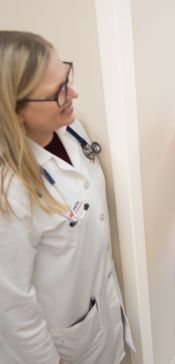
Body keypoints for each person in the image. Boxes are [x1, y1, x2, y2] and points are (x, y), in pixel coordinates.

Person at [0, 31, 134, 363]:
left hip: (99, 313)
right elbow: (11, 306)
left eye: (66, 77)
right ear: (14, 110)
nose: (73, 93)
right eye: (57, 91)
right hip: (60, 347)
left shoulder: (72, 130)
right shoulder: (9, 191)